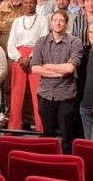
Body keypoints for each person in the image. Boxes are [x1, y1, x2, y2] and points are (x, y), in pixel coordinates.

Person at [31, 11, 82, 153]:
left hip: (66, 95)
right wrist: (60, 72)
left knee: (67, 135)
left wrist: (47, 66)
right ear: (51, 22)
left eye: (61, 21)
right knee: (48, 134)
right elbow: (35, 68)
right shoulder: (41, 41)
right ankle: (49, 162)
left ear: (66, 24)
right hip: (45, 94)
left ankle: (67, 164)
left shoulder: (74, 42)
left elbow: (70, 68)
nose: (58, 23)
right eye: (55, 20)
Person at [6, 0, 48, 131]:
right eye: (26, 2)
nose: (28, 5)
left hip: (36, 58)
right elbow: (11, 43)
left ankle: (41, 128)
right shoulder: (17, 21)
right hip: (19, 58)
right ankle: (14, 127)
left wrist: (30, 57)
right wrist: (19, 58)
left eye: (31, 2)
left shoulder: (43, 20)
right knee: (16, 94)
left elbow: (43, 41)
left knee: (38, 94)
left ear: (36, 3)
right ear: (22, 4)